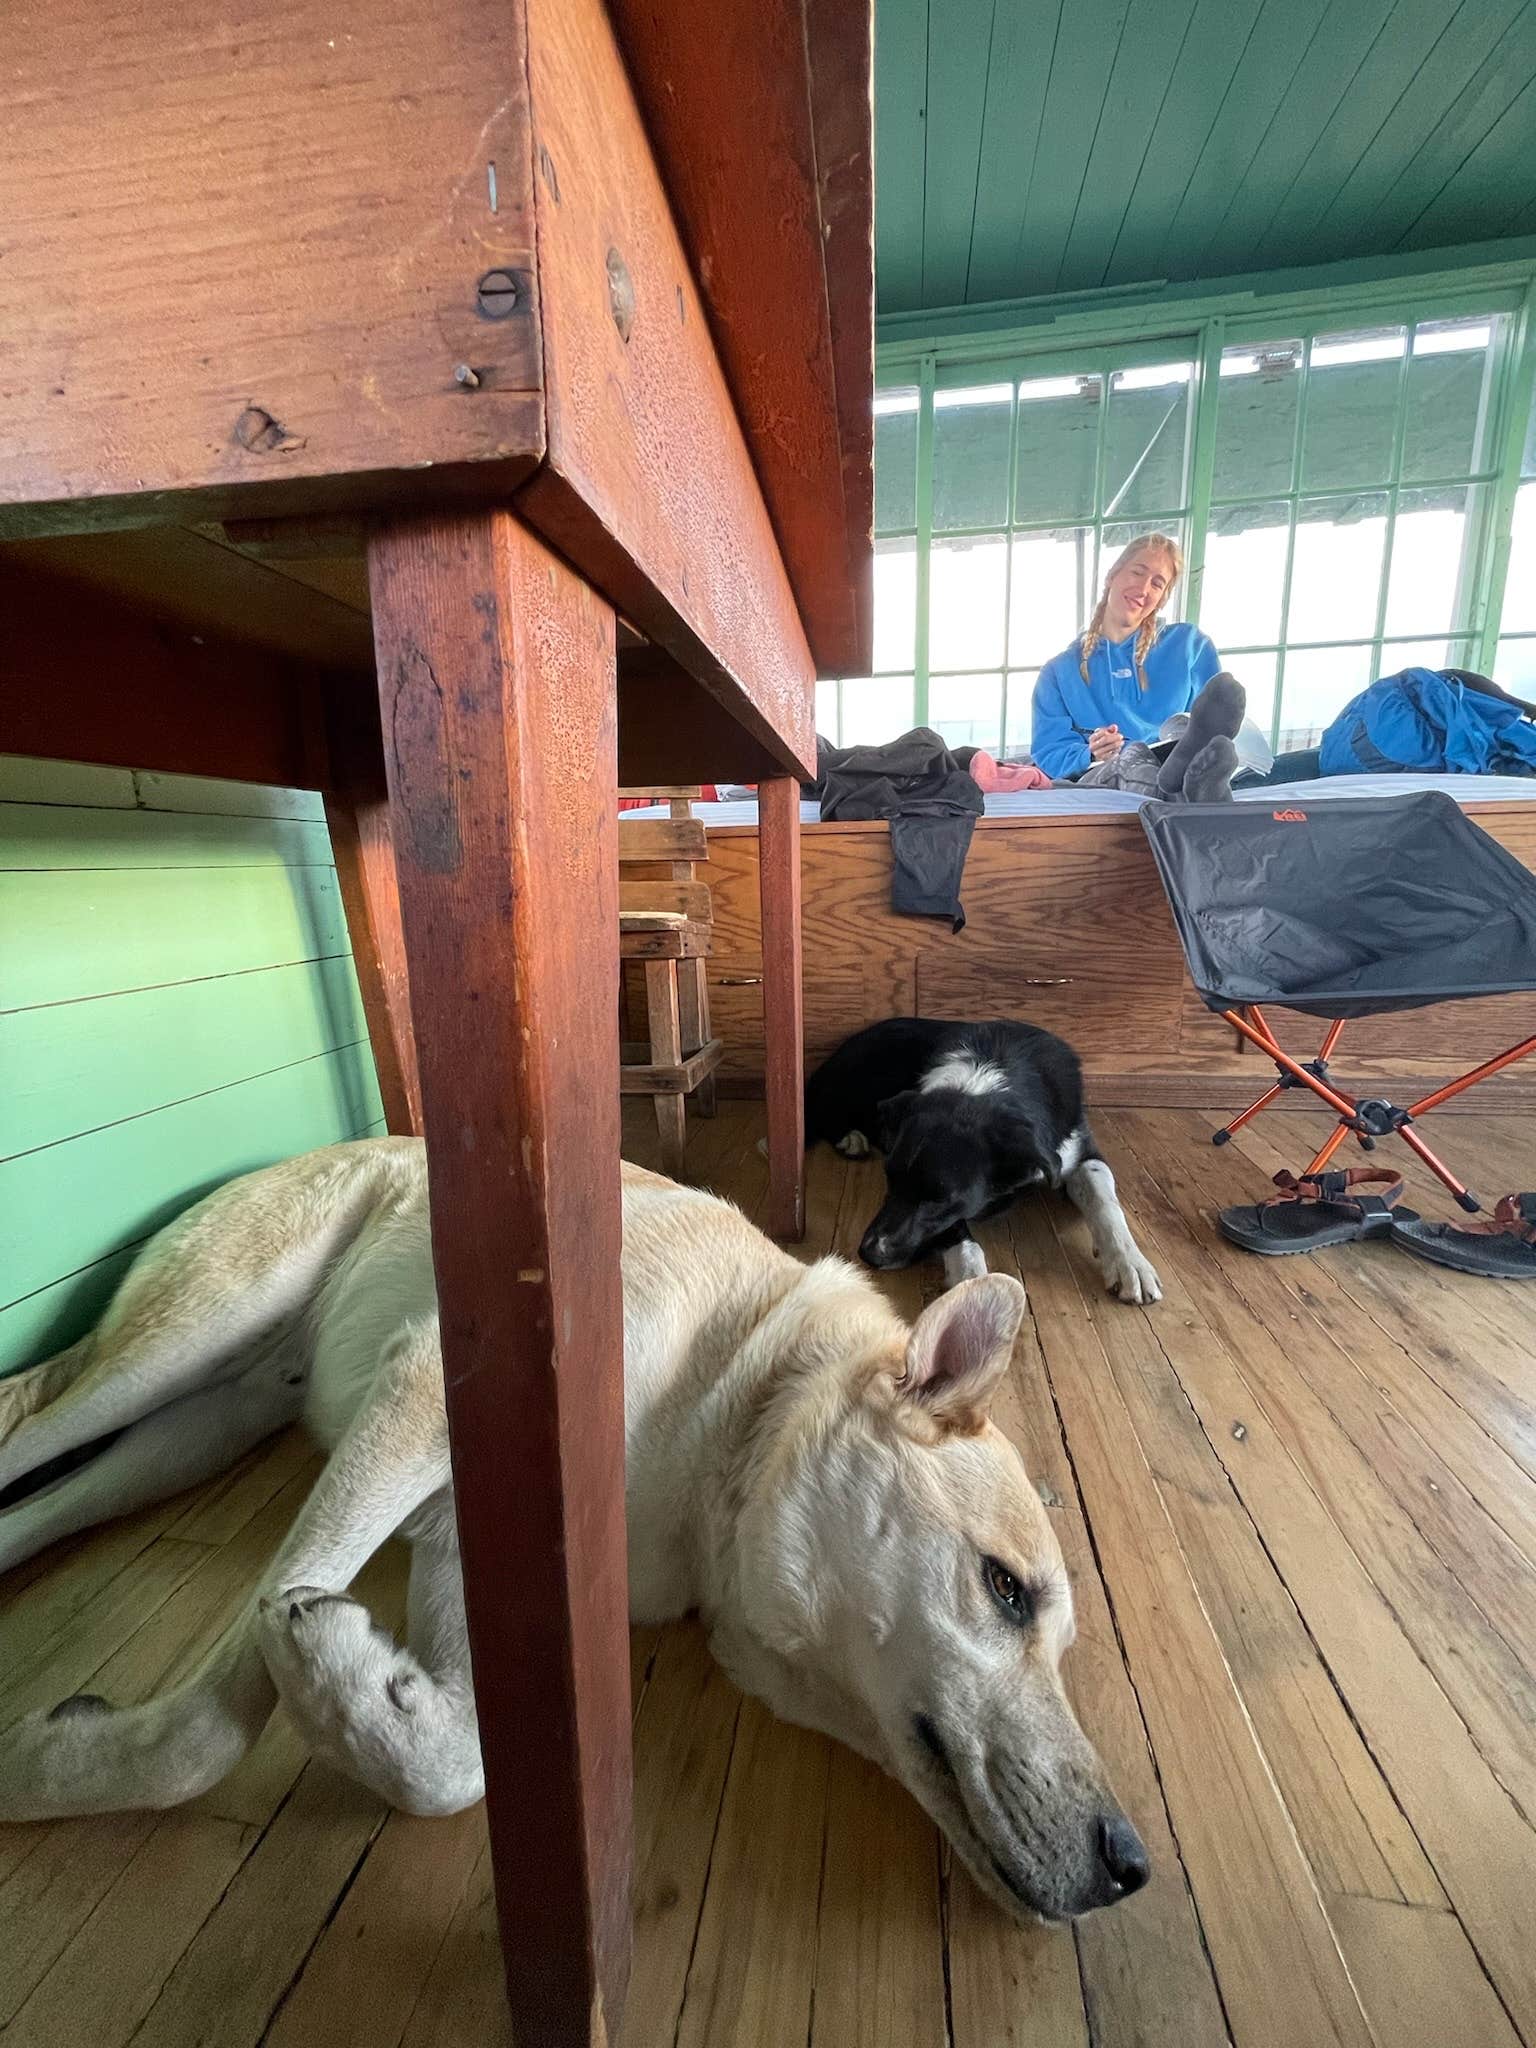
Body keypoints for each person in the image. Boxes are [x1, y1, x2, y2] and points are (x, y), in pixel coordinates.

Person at [1030, 534, 1222, 782]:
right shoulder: (1058, 672)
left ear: (1161, 599)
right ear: (1112, 576)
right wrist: (1090, 753)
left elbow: (1214, 727)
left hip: (1180, 771)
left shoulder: (1190, 645)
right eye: (1138, 572)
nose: (1143, 589)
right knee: (1130, 767)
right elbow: (1050, 750)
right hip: (1105, 779)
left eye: (1157, 583)